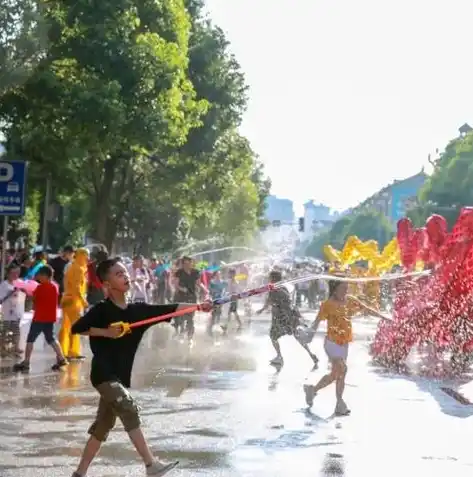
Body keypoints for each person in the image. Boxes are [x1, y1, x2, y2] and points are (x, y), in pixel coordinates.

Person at [69, 257, 212, 477]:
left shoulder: (138, 311)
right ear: (107, 284)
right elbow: (77, 328)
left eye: (125, 272)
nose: (125, 276)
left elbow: (170, 308)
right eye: (118, 274)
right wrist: (106, 332)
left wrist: (199, 307)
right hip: (104, 375)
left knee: (102, 427)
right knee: (128, 407)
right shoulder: (102, 310)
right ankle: (150, 465)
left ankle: (79, 474)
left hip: (118, 376)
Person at [303, 279, 388, 416]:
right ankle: (340, 403)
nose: (346, 291)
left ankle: (313, 390)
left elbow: (367, 309)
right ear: (335, 289)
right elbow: (317, 321)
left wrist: (384, 317)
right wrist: (310, 336)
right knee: (343, 369)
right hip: (332, 343)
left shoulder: (349, 300)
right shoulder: (328, 304)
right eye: (343, 288)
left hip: (344, 343)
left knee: (337, 375)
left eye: (346, 288)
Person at [256, 270, 318, 368]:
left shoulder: (274, 289)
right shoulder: (283, 287)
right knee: (298, 337)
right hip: (290, 316)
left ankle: (279, 357)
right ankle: (311, 354)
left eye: (270, 278)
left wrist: (262, 309)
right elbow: (288, 302)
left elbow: (270, 301)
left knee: (273, 336)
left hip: (280, 317)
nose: (269, 279)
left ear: (273, 279)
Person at [13, 265, 68, 372]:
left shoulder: (40, 287)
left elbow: (34, 299)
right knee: (51, 338)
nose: (38, 277)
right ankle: (61, 358)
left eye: (39, 275)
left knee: (30, 339)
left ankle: (26, 362)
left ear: (45, 276)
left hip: (39, 318)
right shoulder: (55, 286)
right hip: (50, 318)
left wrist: (27, 291)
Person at [173, 256, 207, 340]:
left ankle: (190, 337)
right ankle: (180, 331)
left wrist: (205, 290)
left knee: (190, 317)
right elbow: (176, 285)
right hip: (180, 297)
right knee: (180, 316)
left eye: (189, 263)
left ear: (191, 263)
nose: (187, 265)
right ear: (182, 264)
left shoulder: (195, 272)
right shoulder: (179, 272)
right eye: (185, 263)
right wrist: (182, 289)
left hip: (192, 297)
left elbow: (199, 283)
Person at [0, 264, 25, 357]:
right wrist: (10, 293)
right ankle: (3, 348)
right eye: (13, 273)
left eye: (17, 273)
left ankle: (16, 348)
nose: (15, 275)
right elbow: (1, 299)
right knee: (5, 330)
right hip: (7, 312)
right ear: (8, 274)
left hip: (17, 311)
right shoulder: (4, 285)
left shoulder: (20, 283)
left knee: (16, 330)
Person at [221, 268, 242, 333]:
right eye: (230, 273)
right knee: (233, 313)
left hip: (234, 299)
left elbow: (237, 290)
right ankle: (239, 324)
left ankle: (226, 326)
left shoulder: (235, 281)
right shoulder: (229, 281)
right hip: (230, 299)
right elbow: (225, 290)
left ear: (234, 274)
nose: (230, 274)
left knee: (232, 313)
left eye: (232, 273)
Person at [207, 270, 227, 336]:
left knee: (218, 315)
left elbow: (225, 291)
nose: (219, 276)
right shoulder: (212, 283)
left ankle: (214, 329)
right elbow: (209, 292)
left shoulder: (223, 282)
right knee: (214, 315)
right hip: (214, 301)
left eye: (219, 274)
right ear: (214, 275)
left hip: (220, 300)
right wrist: (209, 299)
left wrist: (224, 297)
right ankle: (210, 329)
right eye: (217, 274)